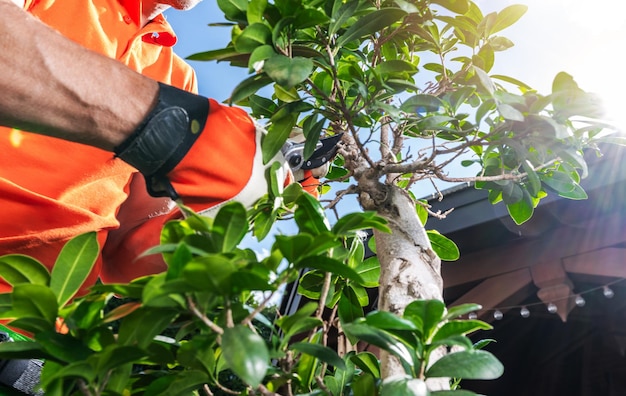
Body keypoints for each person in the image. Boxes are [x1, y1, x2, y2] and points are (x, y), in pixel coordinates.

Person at [0, 0, 314, 295]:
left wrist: (235, 207)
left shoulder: (178, 80)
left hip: (45, 333)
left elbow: (123, 259)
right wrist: (172, 124)